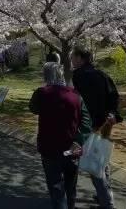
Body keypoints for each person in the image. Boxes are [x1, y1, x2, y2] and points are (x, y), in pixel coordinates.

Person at [30, 62, 92, 209]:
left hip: (49, 148)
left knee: (56, 187)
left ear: (46, 75)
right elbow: (86, 123)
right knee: (71, 187)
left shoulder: (41, 93)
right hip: (71, 148)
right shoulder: (76, 95)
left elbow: (33, 108)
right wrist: (78, 141)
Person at [72, 47, 121, 209]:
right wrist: (112, 113)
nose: (72, 60)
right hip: (106, 121)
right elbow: (114, 95)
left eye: (73, 57)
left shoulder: (79, 75)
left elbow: (80, 102)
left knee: (93, 162)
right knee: (102, 157)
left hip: (89, 124)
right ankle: (105, 193)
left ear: (80, 58)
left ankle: (107, 201)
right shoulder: (101, 74)